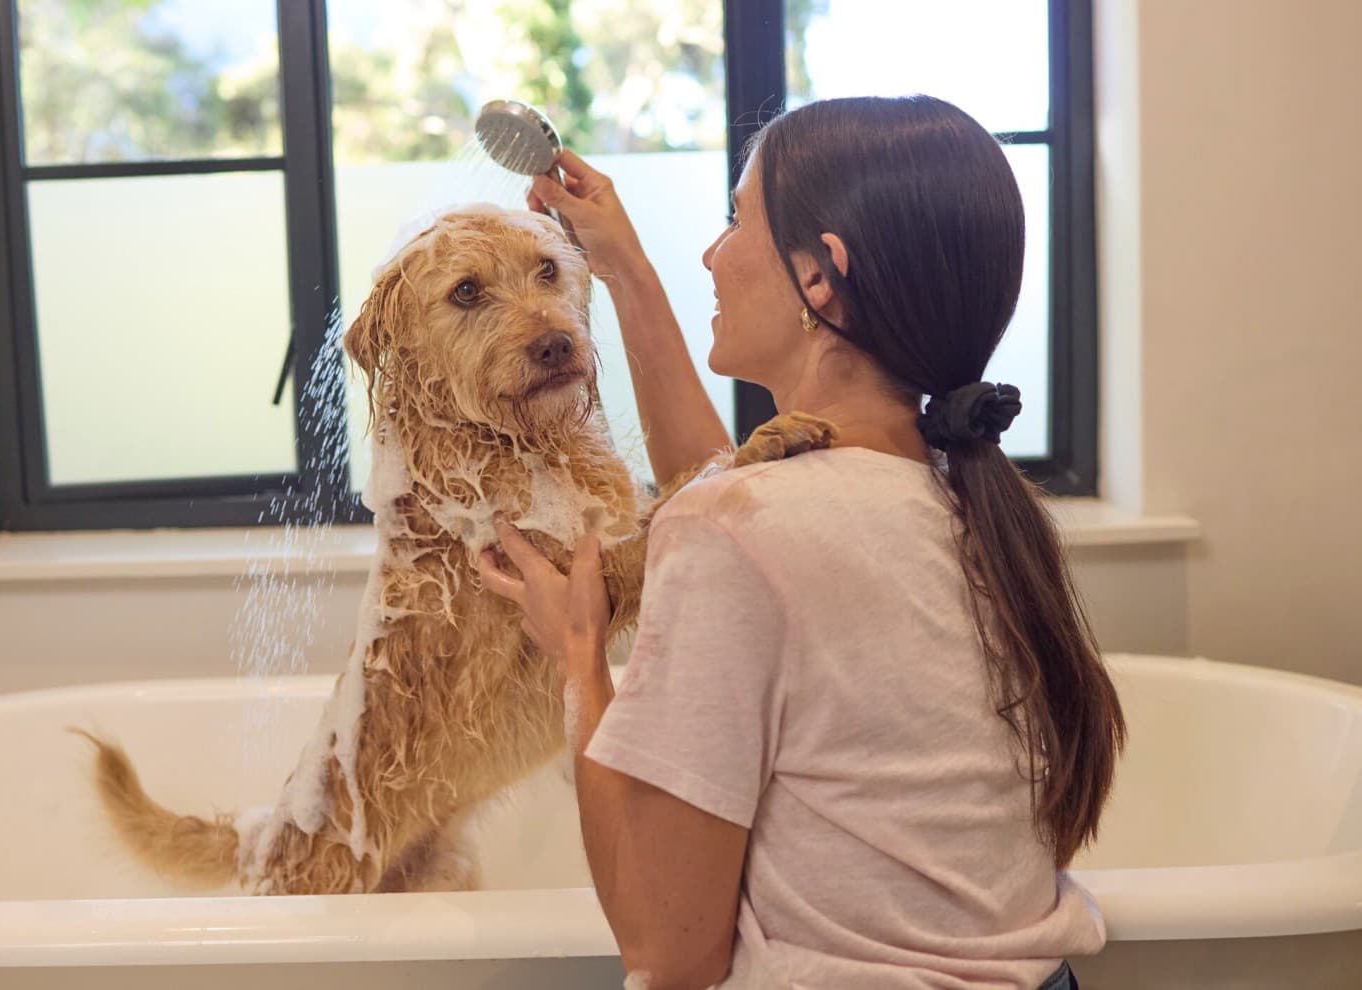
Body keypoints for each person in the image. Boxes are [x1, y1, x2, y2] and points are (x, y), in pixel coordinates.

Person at [477, 95, 1124, 990]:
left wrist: (580, 660)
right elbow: (734, 505)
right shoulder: (972, 495)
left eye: (736, 220)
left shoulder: (741, 536)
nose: (713, 252)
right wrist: (624, 270)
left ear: (821, 276)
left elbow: (668, 953)